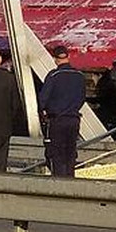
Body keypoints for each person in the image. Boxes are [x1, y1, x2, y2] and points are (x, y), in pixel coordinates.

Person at [38, 45, 85, 178]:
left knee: (56, 154)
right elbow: (82, 98)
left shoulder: (54, 76)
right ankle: (70, 180)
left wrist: (43, 112)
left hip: (57, 119)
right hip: (74, 119)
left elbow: (42, 100)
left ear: (55, 59)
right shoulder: (79, 75)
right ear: (68, 57)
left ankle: (59, 183)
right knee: (70, 153)